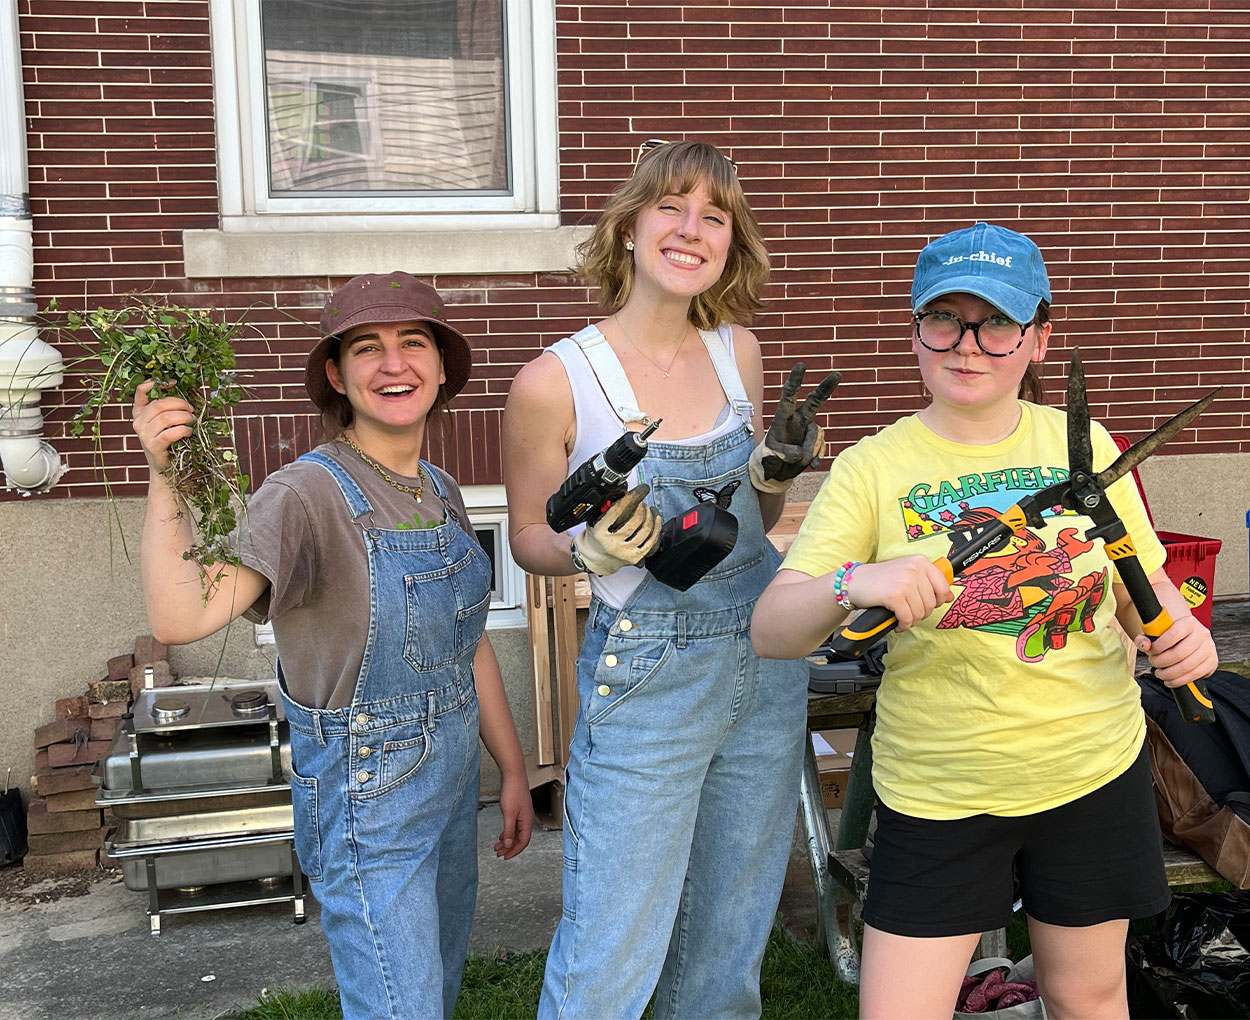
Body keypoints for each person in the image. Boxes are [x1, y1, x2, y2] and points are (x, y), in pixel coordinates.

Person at [751, 222, 1221, 1020]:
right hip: (940, 789)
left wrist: (1180, 631)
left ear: (1038, 339)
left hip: (1090, 771)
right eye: (946, 320)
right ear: (915, 332)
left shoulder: (1083, 444)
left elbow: (1138, 589)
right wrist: (854, 579)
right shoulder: (873, 466)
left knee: (1088, 993)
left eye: (997, 323)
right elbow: (773, 630)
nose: (969, 346)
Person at [132, 272, 533, 1020]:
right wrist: (163, 480)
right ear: (336, 374)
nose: (393, 365)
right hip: (368, 795)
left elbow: (465, 642)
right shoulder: (305, 495)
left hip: (449, 780)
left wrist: (510, 768)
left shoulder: (439, 487)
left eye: (414, 344)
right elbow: (184, 617)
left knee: (430, 993)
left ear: (442, 367)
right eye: (366, 348)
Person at [502, 138, 835, 1019]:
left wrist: (775, 475)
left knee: (724, 954)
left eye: (714, 217)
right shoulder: (554, 380)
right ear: (628, 228)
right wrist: (589, 554)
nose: (691, 230)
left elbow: (754, 532)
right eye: (671, 208)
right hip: (648, 676)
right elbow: (529, 535)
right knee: (609, 963)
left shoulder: (740, 355)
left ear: (731, 243)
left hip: (762, 667)